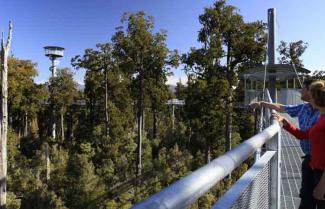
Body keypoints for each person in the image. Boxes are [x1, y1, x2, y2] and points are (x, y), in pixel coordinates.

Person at [250, 79, 320, 209]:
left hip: (321, 165)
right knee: (306, 198)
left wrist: (285, 123)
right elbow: (283, 108)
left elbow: (305, 135)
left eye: (303, 88)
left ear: (311, 91)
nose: (300, 91)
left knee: (319, 199)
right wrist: (263, 104)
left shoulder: (322, 115)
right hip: (310, 161)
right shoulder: (304, 108)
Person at [273, 80, 325, 209]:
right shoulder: (322, 118)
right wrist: (285, 122)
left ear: (315, 97)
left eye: (311, 94)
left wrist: (322, 185)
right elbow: (304, 135)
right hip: (314, 167)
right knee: (307, 201)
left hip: (322, 174)